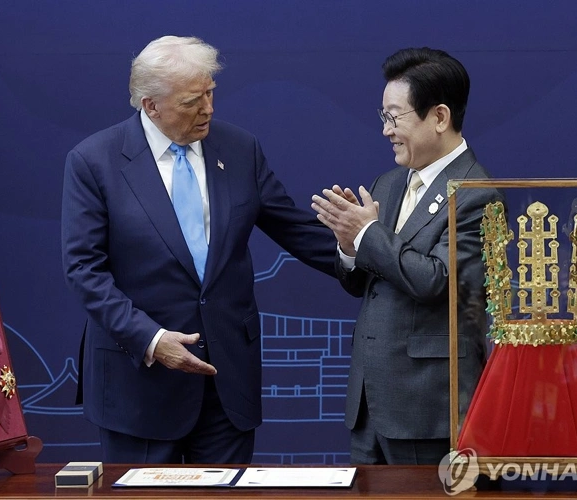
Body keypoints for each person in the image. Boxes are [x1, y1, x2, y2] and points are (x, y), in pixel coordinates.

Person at [61, 35, 337, 464]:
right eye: (192, 101)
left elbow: (295, 229)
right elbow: (84, 269)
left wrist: (364, 251)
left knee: (228, 493)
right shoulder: (94, 161)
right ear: (150, 105)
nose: (208, 109)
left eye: (210, 93)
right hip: (141, 384)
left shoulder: (240, 148)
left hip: (227, 384)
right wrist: (151, 339)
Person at [311, 47, 502, 465]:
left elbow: (438, 281)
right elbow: (363, 282)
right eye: (384, 117)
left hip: (427, 406)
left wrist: (367, 233)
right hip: (369, 404)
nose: (386, 131)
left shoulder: (477, 193)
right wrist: (349, 246)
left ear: (439, 117)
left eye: (394, 117)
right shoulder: (389, 182)